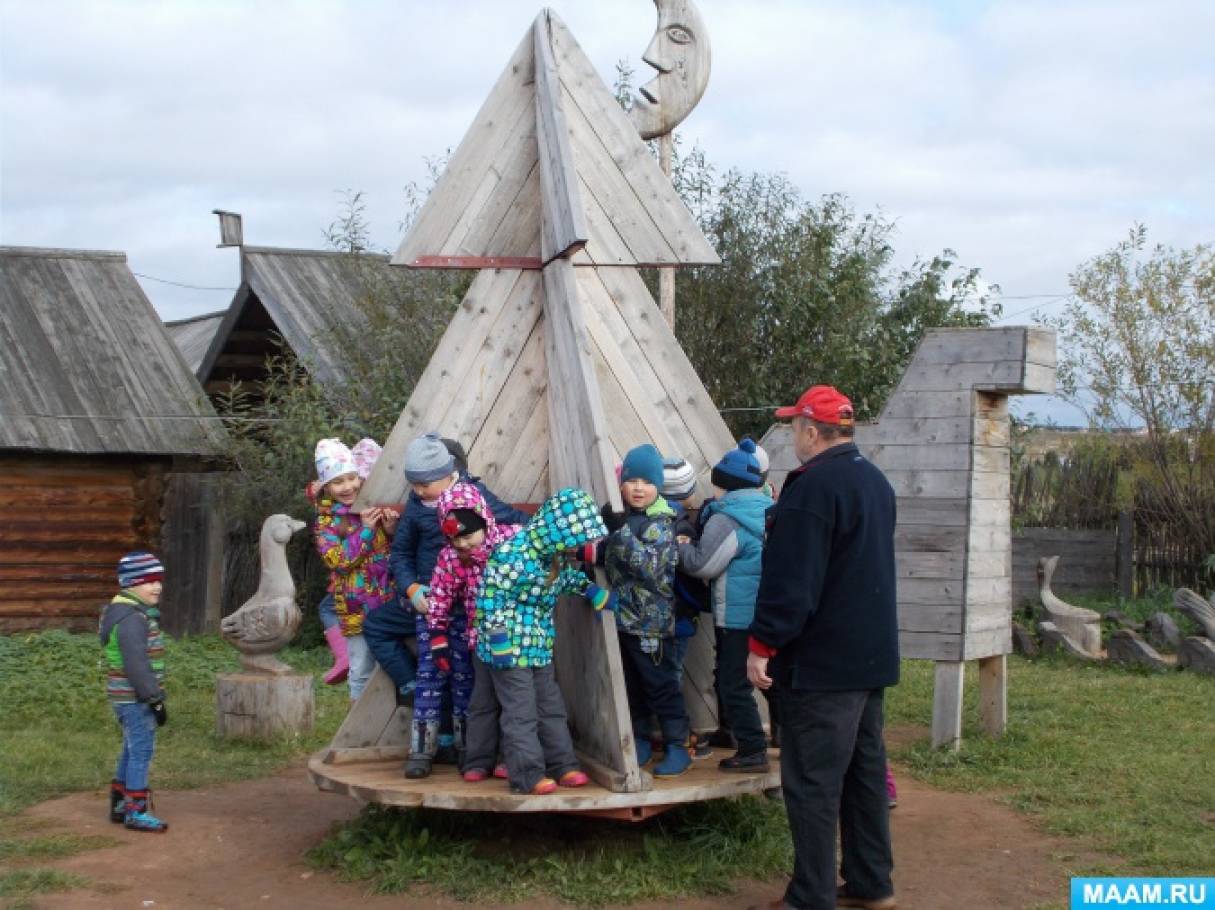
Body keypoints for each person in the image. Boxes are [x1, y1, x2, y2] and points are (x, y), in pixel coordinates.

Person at [746, 385, 898, 910]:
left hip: (822, 664)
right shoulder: (875, 482)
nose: (793, 436)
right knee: (863, 774)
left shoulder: (811, 489)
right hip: (869, 656)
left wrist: (763, 644)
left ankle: (810, 895)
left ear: (812, 431)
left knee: (812, 781)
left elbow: (793, 582)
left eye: (794, 427)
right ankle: (871, 881)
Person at [363, 433, 529, 712]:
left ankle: (462, 738)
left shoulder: (474, 497)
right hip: (425, 599)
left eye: (423, 485)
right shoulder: (417, 507)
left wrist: (552, 533)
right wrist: (411, 588)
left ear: (448, 473)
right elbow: (401, 553)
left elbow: (513, 519)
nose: (417, 491)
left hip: (467, 603)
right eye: (413, 485)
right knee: (379, 628)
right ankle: (410, 685)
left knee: (462, 672)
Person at [474, 487, 606, 794]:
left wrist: (592, 591)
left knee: (550, 707)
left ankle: (564, 765)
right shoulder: (513, 554)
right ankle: (527, 775)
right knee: (521, 712)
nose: (577, 546)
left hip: (538, 645)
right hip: (506, 646)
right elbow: (490, 596)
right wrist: (498, 640)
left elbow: (565, 579)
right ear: (557, 530)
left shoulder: (553, 557)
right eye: (574, 539)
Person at [410, 482, 524, 779]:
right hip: (482, 641)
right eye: (454, 538)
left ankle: (511, 757)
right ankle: (477, 759)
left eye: (468, 536)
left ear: (485, 521)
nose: (463, 544)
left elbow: (544, 549)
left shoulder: (511, 541)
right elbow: (441, 595)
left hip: (519, 637)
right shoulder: (452, 557)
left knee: (514, 700)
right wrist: (437, 635)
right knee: (481, 700)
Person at [677, 437, 774, 773]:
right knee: (766, 681)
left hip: (736, 616)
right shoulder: (768, 510)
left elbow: (703, 564)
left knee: (733, 683)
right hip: (767, 614)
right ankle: (777, 738)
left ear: (724, 485)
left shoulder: (726, 518)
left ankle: (751, 749)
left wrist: (682, 546)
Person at [602, 444, 690, 778]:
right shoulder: (623, 518)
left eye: (647, 481)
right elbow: (610, 560)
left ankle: (676, 746)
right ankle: (638, 739)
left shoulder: (661, 523)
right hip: (623, 620)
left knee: (661, 685)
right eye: (632, 480)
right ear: (621, 483)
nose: (639, 488)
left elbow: (649, 567)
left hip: (651, 625)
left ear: (658, 486)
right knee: (631, 685)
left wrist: (619, 531)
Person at [313, 437, 398, 701]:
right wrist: (366, 530)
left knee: (391, 667)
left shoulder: (374, 505)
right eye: (338, 482)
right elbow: (339, 560)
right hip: (356, 609)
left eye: (352, 478)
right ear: (326, 486)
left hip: (388, 602)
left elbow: (393, 550)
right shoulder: (326, 522)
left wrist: (391, 530)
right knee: (361, 668)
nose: (347, 486)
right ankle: (357, 734)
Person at [99, 551, 170, 832]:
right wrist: (154, 699)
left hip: (125, 696)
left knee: (131, 747)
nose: (157, 587)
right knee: (141, 750)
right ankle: (135, 811)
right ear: (129, 584)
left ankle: (119, 802)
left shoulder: (122, 610)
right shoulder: (131, 619)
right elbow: (136, 664)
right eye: (147, 581)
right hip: (134, 697)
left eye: (158, 580)